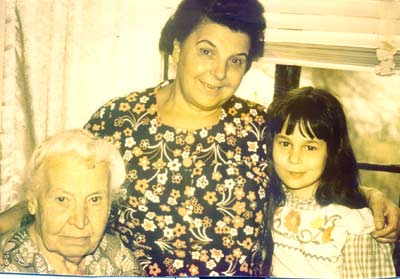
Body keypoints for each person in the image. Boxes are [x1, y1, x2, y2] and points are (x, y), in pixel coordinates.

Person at [0, 0, 399, 276]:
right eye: (206, 52)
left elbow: (309, 176)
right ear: (176, 48)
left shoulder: (259, 127)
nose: (219, 73)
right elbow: (57, 188)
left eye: (236, 60)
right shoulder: (120, 119)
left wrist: (373, 198)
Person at [265, 87, 395, 278]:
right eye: (285, 143)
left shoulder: (352, 223)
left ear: (331, 152)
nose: (294, 158)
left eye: (309, 147)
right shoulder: (267, 199)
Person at [0, 129, 144, 276]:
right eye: (62, 199)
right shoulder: (8, 267)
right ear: (32, 202)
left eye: (95, 199)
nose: (80, 222)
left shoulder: (117, 257)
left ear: (109, 206)